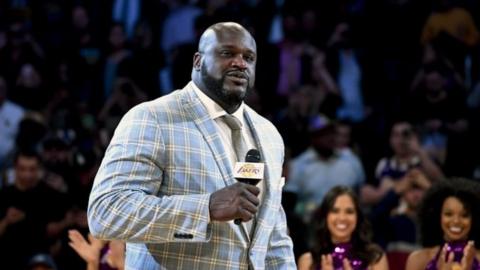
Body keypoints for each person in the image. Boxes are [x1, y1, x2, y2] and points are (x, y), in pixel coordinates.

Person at [88, 22, 296, 269]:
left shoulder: (269, 134)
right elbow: (107, 213)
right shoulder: (153, 118)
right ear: (197, 61)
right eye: (227, 53)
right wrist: (205, 207)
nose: (241, 63)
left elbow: (273, 238)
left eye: (248, 57)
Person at [297, 185, 389, 270]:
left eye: (349, 211)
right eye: (335, 211)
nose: (342, 218)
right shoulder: (308, 261)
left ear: (358, 216)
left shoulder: (375, 258)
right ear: (325, 216)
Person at [406, 178, 480, 270]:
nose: (456, 221)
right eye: (448, 214)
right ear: (437, 216)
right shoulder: (418, 259)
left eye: (464, 215)